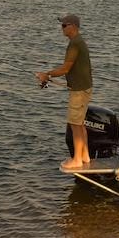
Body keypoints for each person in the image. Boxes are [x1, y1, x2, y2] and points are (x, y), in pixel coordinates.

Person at [36, 14, 93, 170]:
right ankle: (85, 156)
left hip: (79, 91)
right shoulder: (79, 42)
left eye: (64, 25)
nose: (62, 28)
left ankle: (77, 160)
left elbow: (65, 68)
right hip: (83, 88)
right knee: (80, 124)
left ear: (73, 26)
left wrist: (46, 74)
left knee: (75, 125)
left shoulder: (75, 44)